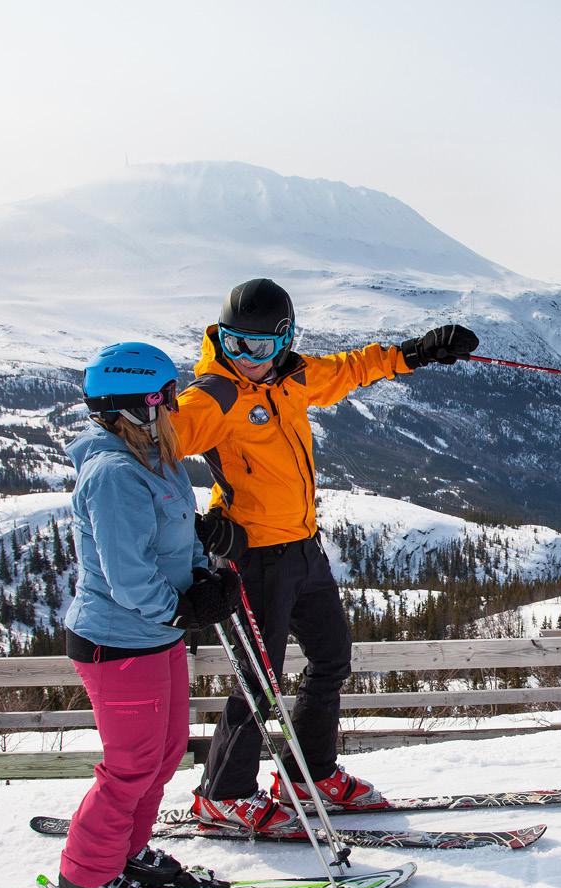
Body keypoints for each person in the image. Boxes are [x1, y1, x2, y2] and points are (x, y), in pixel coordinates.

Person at [171, 278, 478, 834]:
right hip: (253, 557)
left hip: (303, 550)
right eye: (236, 345)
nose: (248, 359)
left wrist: (419, 352)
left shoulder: (293, 378)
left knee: (332, 658)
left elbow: (352, 368)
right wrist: (194, 527)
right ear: (222, 340)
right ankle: (222, 794)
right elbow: (144, 450)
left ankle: (308, 775)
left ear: (285, 341)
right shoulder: (213, 397)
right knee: (259, 681)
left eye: (261, 347)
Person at [58, 342, 241, 888]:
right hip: (118, 641)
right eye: (161, 397)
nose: (171, 407)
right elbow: (128, 576)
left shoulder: (155, 458)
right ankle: (84, 882)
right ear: (131, 405)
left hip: (155, 636)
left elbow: (170, 543)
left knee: (161, 758)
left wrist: (201, 565)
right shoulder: (113, 474)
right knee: (131, 766)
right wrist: (186, 610)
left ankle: (126, 854)